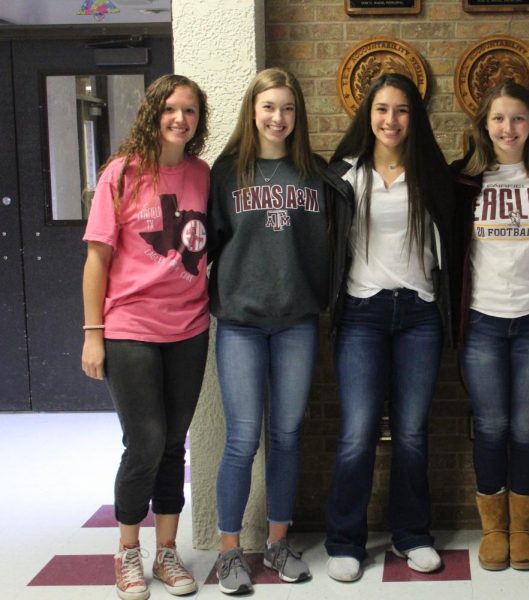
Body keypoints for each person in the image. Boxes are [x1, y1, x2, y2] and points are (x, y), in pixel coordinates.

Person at [322, 73, 455, 583]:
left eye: (401, 110)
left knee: (412, 434)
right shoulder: (345, 175)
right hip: (361, 313)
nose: (391, 120)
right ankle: (345, 540)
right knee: (357, 433)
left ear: (414, 117)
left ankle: (412, 535)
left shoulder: (433, 175)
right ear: (368, 114)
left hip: (420, 314)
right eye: (382, 109)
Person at [81, 74, 210, 600]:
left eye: (191, 112)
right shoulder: (121, 174)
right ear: (153, 111)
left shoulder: (203, 174)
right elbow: (96, 261)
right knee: (145, 443)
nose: (180, 119)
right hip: (130, 328)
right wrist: (94, 333)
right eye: (172, 109)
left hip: (191, 327)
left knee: (173, 444)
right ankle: (128, 552)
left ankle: (167, 552)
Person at [207, 67, 333, 595]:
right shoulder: (226, 171)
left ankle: (279, 542)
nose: (278, 118)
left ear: (297, 115)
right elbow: (207, 244)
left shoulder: (314, 173)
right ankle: (231, 552)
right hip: (239, 323)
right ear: (252, 111)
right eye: (268, 107)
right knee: (241, 440)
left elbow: (331, 243)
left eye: (287, 108)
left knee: (286, 437)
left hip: (297, 324)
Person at [450, 81, 529, 571]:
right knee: (492, 426)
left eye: (518, 118)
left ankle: (523, 529)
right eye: (499, 118)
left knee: (525, 426)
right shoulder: (462, 180)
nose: (508, 128)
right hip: (482, 321)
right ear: (485, 124)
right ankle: (493, 528)